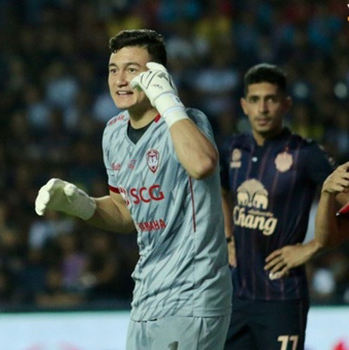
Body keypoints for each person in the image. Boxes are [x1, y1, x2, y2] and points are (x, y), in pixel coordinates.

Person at [35, 29, 231, 350]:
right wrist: (80, 205)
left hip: (194, 293)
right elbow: (124, 211)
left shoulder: (187, 122)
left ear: (157, 76)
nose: (120, 80)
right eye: (114, 70)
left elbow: (202, 164)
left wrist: (167, 100)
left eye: (132, 70)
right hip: (145, 297)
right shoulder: (112, 134)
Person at [220, 63, 336, 350]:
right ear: (244, 105)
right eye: (256, 100)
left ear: (286, 104)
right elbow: (222, 190)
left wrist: (313, 247)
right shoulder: (233, 149)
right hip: (236, 298)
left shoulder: (306, 154)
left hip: (282, 298)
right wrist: (228, 238)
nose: (263, 109)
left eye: (271, 99)